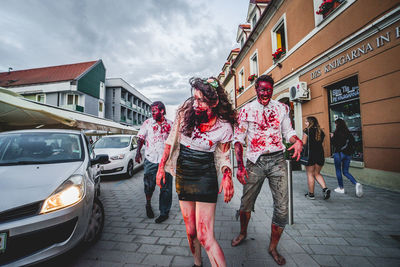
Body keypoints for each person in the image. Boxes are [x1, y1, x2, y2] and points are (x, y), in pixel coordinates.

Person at [156, 77, 235, 267]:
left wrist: (227, 176)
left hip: (206, 175)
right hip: (184, 173)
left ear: (214, 102)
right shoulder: (185, 111)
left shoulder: (224, 126)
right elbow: (170, 142)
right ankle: (197, 263)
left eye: (201, 101)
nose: (196, 104)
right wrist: (161, 168)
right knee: (191, 231)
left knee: (205, 236)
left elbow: (224, 156)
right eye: (194, 98)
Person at [231, 74, 303, 266]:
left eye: (268, 90)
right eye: (262, 89)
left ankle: (273, 247)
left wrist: (297, 141)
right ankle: (243, 232)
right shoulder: (246, 111)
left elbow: (288, 132)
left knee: (282, 209)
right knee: (246, 203)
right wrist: (239, 166)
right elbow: (238, 140)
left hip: (278, 160)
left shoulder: (282, 108)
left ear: (272, 90)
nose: (265, 93)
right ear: (256, 90)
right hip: (255, 161)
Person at [135, 101, 173, 223]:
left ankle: (164, 212)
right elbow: (140, 138)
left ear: (162, 111)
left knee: (166, 188)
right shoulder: (147, 123)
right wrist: (137, 153)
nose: (152, 113)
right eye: (152, 111)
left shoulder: (170, 125)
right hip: (151, 159)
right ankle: (148, 204)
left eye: (155, 110)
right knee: (149, 186)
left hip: (166, 162)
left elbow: (174, 143)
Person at [330, 118, 363, 197]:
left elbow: (335, 144)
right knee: (345, 172)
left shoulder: (336, 133)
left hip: (339, 154)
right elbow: (354, 143)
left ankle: (341, 188)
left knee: (338, 171)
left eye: (336, 124)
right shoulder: (349, 133)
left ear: (337, 124)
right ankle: (356, 183)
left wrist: (332, 137)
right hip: (347, 155)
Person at [302, 116, 330, 200]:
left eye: (306, 122)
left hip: (310, 155)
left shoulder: (307, 131)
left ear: (310, 122)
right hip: (320, 155)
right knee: (317, 173)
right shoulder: (321, 131)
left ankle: (311, 194)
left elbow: (303, 143)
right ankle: (325, 189)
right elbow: (323, 144)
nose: (305, 123)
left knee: (310, 174)